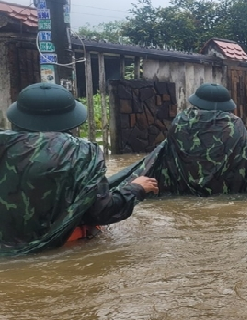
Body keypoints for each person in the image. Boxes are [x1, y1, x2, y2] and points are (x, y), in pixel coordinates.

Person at [0, 83, 158, 255]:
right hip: (60, 252)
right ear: (69, 118)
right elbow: (101, 212)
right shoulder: (81, 152)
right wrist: (136, 188)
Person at [110, 83, 247, 196]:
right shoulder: (235, 126)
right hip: (227, 194)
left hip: (182, 192)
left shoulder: (180, 122)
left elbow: (161, 156)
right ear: (226, 106)